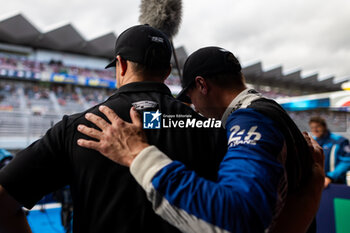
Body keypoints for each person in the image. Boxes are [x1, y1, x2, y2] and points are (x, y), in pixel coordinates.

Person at [0, 25, 227, 233]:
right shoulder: (207, 126)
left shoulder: (76, 127)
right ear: (167, 71)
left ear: (121, 64)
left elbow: (3, 202)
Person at [77, 47, 324, 233]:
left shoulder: (250, 120)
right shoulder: (268, 110)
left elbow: (238, 215)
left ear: (202, 85)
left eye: (190, 95)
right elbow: (180, 121)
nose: (191, 105)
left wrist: (138, 154)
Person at [309, 116, 350, 187]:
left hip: (336, 183)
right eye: (312, 127)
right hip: (317, 184)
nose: (315, 130)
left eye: (317, 127)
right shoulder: (312, 142)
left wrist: (330, 177)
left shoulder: (339, 140)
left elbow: (347, 161)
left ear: (324, 126)